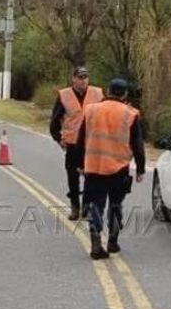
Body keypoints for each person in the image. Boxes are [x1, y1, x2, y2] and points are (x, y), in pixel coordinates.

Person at [75, 78, 145, 260]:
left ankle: (96, 242)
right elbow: (137, 144)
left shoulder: (90, 110)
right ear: (125, 94)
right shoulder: (130, 114)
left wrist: (79, 164)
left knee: (95, 205)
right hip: (118, 168)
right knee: (115, 205)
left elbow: (81, 138)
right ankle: (112, 241)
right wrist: (140, 169)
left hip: (93, 166)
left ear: (107, 91)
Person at [49, 66, 104, 220]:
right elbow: (54, 121)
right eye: (80, 77)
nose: (83, 80)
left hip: (91, 143)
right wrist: (59, 139)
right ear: (73, 79)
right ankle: (75, 207)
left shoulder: (98, 94)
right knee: (73, 178)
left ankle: (87, 207)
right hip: (72, 144)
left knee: (91, 178)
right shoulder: (64, 95)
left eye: (85, 77)